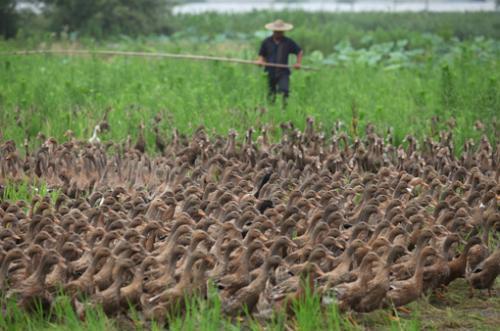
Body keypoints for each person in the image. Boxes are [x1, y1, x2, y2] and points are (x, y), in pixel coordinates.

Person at [257, 19, 303, 107]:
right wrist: (260, 61)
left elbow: (299, 51)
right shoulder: (266, 42)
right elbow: (261, 54)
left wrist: (298, 63)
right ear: (273, 31)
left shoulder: (288, 42)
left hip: (283, 72)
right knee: (271, 94)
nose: (279, 33)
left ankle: (284, 109)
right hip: (270, 71)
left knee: (284, 90)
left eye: (281, 32)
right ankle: (271, 111)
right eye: (277, 32)